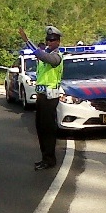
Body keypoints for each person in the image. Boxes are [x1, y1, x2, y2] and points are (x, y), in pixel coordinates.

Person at [19, 25, 64, 170]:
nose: (50, 42)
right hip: (42, 97)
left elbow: (44, 56)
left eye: (53, 40)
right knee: (40, 128)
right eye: (48, 40)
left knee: (47, 129)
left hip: (50, 98)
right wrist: (28, 42)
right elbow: (41, 55)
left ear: (58, 41)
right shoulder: (45, 55)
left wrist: (29, 43)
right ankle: (45, 157)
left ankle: (50, 159)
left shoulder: (56, 57)